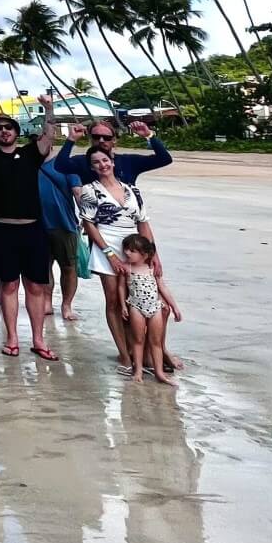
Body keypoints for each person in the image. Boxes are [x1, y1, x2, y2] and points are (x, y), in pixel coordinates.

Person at [0, 98, 59, 360]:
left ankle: (38, 339)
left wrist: (49, 109)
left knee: (36, 287)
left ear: (17, 132)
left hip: (33, 230)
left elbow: (48, 133)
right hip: (1, 231)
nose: (4, 131)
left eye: (9, 127)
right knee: (7, 286)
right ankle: (12, 337)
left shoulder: (31, 153)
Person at [77, 148, 168, 376]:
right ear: (91, 167)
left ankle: (148, 352)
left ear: (113, 161)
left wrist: (152, 254)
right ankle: (126, 356)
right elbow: (89, 224)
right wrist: (110, 254)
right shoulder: (90, 191)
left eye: (105, 160)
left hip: (135, 247)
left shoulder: (132, 190)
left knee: (142, 299)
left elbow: (143, 223)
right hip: (106, 244)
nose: (102, 165)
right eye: (96, 162)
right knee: (115, 303)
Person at [119, 233, 182, 386]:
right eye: (126, 249)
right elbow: (121, 287)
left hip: (155, 308)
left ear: (145, 254)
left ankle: (159, 372)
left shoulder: (152, 268)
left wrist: (174, 306)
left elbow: (163, 287)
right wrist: (122, 306)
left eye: (132, 251)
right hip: (136, 307)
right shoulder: (127, 268)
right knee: (138, 340)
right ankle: (138, 370)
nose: (127, 253)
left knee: (156, 341)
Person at [39, 151, 86, 320]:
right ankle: (46, 302)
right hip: (37, 225)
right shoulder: (28, 162)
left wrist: (87, 218)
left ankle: (66, 305)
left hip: (64, 224)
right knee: (43, 267)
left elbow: (78, 193)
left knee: (68, 266)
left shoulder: (65, 164)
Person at [54, 119, 172, 185]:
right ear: (90, 139)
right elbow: (60, 165)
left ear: (114, 140)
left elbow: (164, 159)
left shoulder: (129, 161)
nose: (101, 140)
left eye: (106, 137)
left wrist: (149, 135)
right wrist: (71, 139)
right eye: (96, 136)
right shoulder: (83, 162)